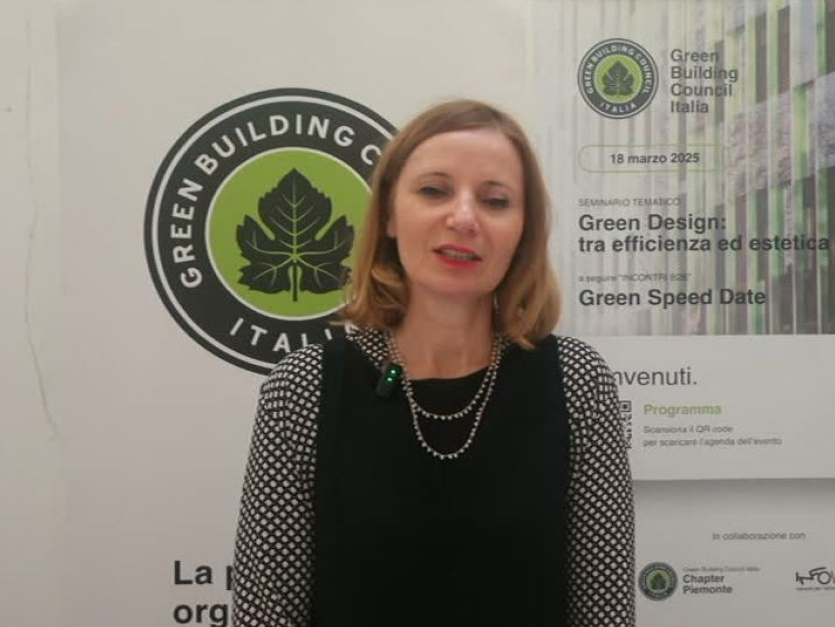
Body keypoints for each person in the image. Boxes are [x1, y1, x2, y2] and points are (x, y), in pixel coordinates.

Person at [231, 100, 634, 626]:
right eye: (434, 191)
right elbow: (266, 613)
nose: (463, 218)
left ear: (523, 231)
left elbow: (605, 613)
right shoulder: (304, 387)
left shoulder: (576, 381)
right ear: (389, 215)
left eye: (495, 200)